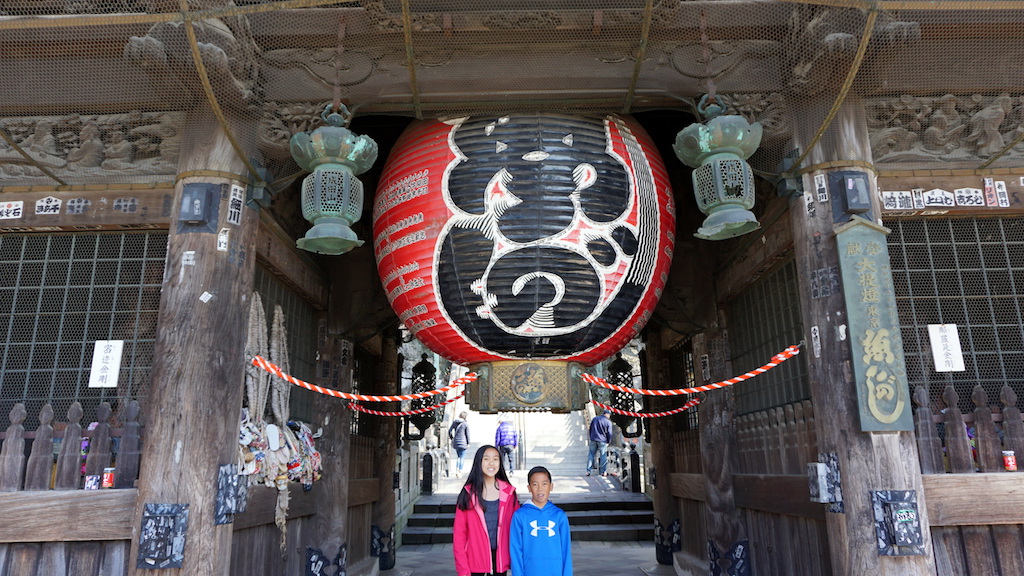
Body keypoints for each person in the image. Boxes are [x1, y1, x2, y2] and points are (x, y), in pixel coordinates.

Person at [453, 445, 520, 576]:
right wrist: (463, 570)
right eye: (486, 459)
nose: (491, 463)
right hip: (475, 563)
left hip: (501, 562)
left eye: (495, 459)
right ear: (479, 462)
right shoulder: (468, 494)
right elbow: (459, 536)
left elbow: (518, 530)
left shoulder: (509, 493)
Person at [510, 466, 572, 576]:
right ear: (529, 488)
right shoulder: (520, 516)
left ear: (551, 486)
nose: (540, 488)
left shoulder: (559, 515)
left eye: (544, 484)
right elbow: (515, 552)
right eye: (535, 484)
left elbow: (566, 551)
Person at [586, 409, 613, 477]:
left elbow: (590, 429)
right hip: (602, 440)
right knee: (603, 455)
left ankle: (588, 471)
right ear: (607, 414)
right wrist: (608, 441)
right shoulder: (608, 422)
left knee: (591, 455)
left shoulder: (595, 419)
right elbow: (609, 433)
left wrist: (591, 437)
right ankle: (603, 471)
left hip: (593, 439)